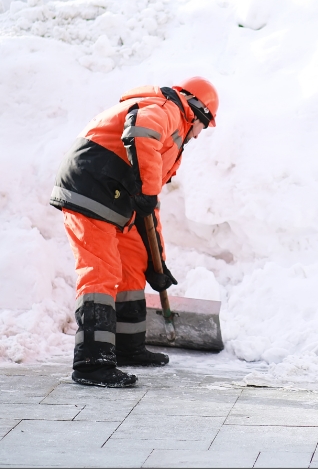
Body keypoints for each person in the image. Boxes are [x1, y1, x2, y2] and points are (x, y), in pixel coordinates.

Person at [49, 78, 219, 387]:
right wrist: (148, 190)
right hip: (92, 186)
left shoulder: (173, 129)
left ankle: (127, 346)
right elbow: (140, 131)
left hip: (115, 195)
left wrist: (159, 265)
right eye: (204, 126)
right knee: (101, 271)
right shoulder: (168, 109)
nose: (200, 133)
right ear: (197, 111)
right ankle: (91, 363)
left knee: (133, 263)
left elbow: (148, 207)